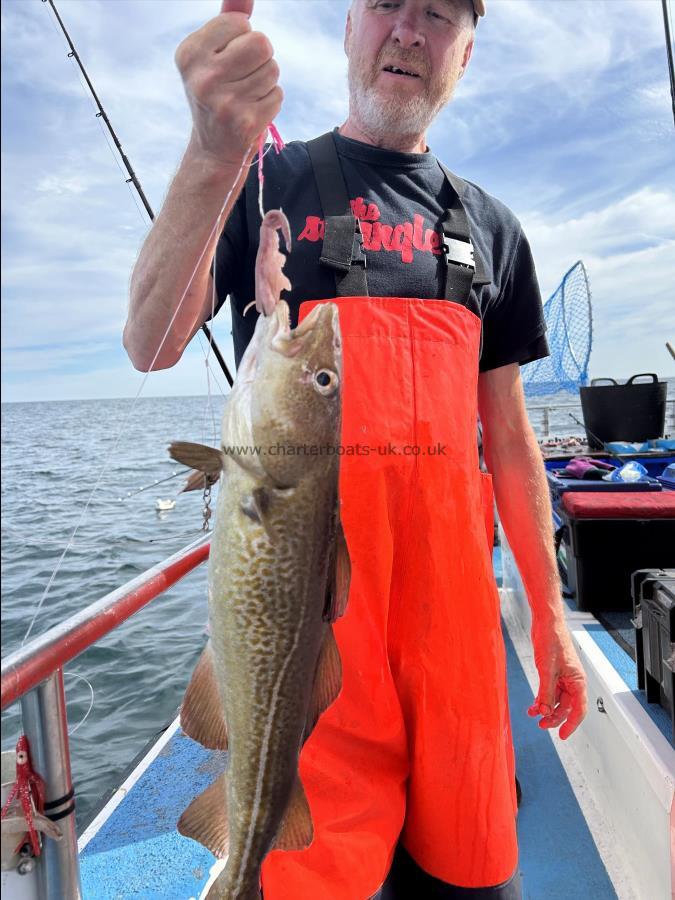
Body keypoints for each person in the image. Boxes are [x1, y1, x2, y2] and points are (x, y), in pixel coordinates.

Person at [124, 1, 588, 897]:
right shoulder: (264, 182)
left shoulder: (491, 228)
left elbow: (511, 442)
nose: (408, 31)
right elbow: (151, 341)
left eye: (438, 14)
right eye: (387, 4)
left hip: (454, 656)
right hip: (317, 656)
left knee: (473, 879)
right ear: (347, 27)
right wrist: (215, 153)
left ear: (465, 49)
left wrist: (552, 620)